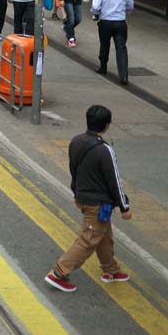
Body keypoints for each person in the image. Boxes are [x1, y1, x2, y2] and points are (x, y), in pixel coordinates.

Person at [46, 105, 131, 292]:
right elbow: (114, 181)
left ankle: (111, 270)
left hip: (84, 199)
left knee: (104, 236)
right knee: (88, 240)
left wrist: (76, 193)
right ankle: (59, 273)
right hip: (98, 205)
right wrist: (125, 206)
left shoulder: (76, 141)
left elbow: (74, 170)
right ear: (107, 125)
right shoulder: (105, 150)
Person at [92, 0, 135, 85]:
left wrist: (96, 13)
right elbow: (130, 6)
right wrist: (124, 11)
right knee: (121, 48)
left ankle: (103, 67)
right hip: (120, 22)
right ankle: (124, 75)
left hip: (106, 22)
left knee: (104, 45)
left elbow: (95, 6)